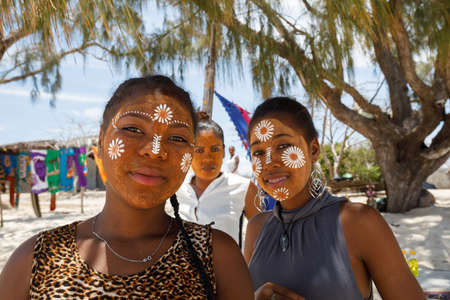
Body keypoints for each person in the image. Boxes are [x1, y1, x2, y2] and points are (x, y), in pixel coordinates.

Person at [0, 75, 253, 299]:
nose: (155, 151)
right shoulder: (36, 258)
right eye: (133, 129)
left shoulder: (218, 258)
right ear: (101, 138)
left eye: (177, 138)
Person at [244, 97, 424, 300]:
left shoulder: (357, 222)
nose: (268, 162)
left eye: (283, 146)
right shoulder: (256, 229)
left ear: (313, 150)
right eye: (258, 152)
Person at [166, 114, 251, 245]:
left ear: (223, 151)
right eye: (199, 150)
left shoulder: (244, 188)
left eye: (215, 149)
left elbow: (261, 239)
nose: (207, 158)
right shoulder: (175, 187)